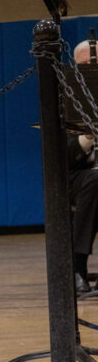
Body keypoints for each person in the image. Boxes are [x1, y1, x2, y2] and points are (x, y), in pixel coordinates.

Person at [70, 38, 98, 293]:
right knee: (95, 181)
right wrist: (88, 136)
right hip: (74, 175)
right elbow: (63, 153)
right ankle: (77, 266)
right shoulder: (67, 94)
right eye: (88, 63)